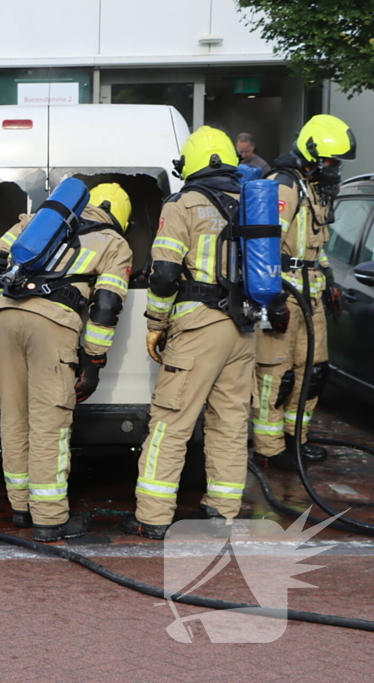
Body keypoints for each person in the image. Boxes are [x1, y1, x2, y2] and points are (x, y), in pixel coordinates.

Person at [121, 126, 254, 540]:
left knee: (171, 421)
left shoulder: (183, 204)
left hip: (198, 325)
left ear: (190, 165)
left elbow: (163, 275)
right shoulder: (254, 202)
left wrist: (156, 324)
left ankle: (154, 516)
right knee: (230, 421)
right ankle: (223, 511)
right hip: (244, 327)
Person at [0, 182, 134, 542]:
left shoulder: (41, 221)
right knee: (49, 421)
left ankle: (21, 508)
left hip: (6, 315)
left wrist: (27, 289)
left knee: (15, 416)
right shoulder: (115, 243)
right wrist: (94, 360)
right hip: (52, 325)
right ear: (120, 218)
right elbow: (106, 306)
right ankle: (50, 519)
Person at [252, 115, 356, 471]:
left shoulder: (312, 187)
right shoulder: (283, 187)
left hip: (311, 298)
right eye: (331, 161)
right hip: (285, 296)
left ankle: (297, 438)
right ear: (312, 155)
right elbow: (264, 246)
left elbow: (317, 246)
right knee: (276, 375)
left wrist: (330, 281)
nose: (335, 169)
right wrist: (273, 298)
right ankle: (268, 446)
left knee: (313, 371)